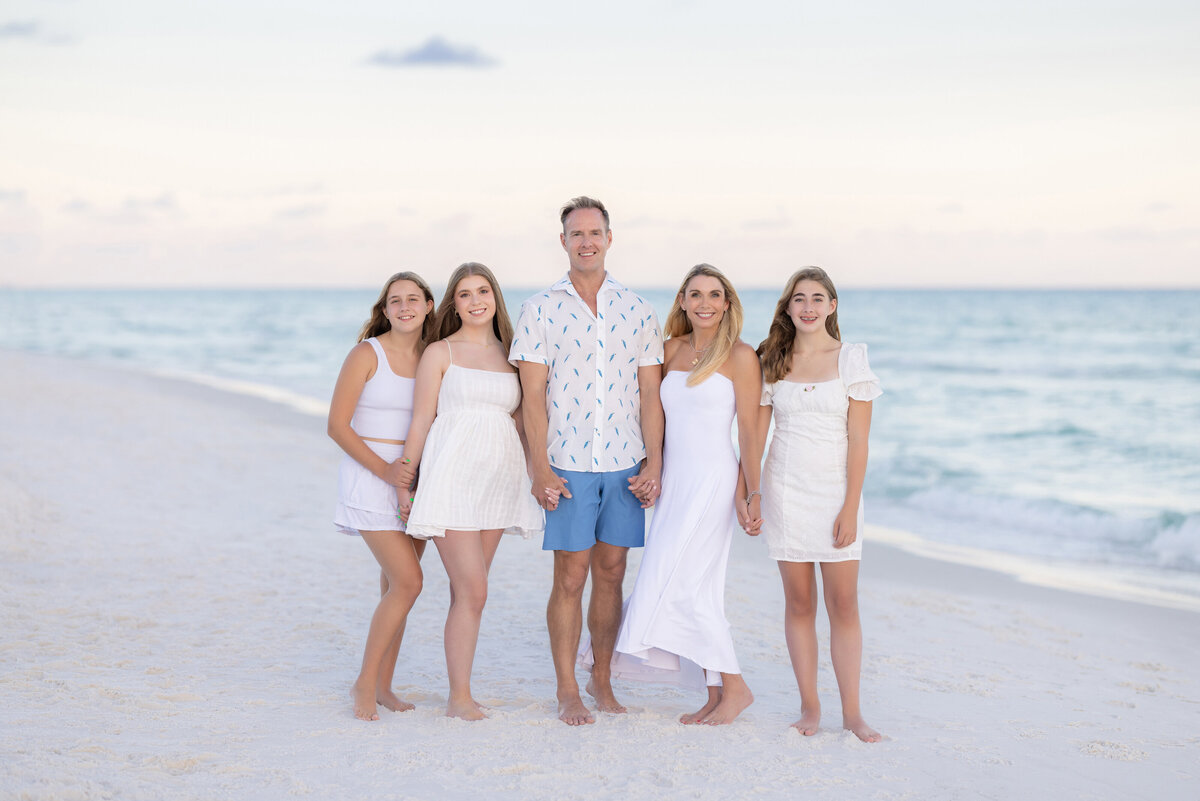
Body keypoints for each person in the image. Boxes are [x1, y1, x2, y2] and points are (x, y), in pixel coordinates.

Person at [509, 196, 665, 725]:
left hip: (624, 462)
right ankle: (567, 688)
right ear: (563, 242)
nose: (586, 242)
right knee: (570, 576)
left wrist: (654, 464)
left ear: (610, 238)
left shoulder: (639, 309)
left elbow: (651, 395)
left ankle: (602, 678)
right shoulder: (540, 308)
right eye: (576, 234)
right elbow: (532, 396)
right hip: (568, 462)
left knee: (613, 571)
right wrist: (539, 468)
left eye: (595, 232)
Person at [591, 264, 762, 725]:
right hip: (674, 483)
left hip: (713, 480)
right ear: (682, 302)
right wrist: (654, 467)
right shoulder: (669, 350)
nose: (704, 303)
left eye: (714, 294)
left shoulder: (742, 357)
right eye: (695, 294)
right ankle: (715, 692)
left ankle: (736, 687)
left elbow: (748, 431)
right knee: (689, 584)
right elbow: (653, 416)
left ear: (727, 303)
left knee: (687, 582)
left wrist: (752, 492)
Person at [397, 262, 543, 721]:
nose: (476, 300)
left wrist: (541, 473)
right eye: (464, 293)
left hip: (499, 480)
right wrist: (406, 480)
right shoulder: (439, 352)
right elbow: (421, 419)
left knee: (474, 594)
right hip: (452, 477)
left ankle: (463, 692)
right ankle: (458, 697)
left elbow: (523, 421)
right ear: (453, 303)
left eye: (483, 291)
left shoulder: (513, 354)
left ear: (495, 297)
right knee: (472, 588)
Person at [755, 266, 883, 743]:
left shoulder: (852, 360)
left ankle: (852, 714)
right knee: (800, 601)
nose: (807, 307)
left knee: (844, 602)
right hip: (785, 490)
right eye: (798, 299)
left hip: (835, 494)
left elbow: (860, 442)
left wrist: (850, 506)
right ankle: (810, 707)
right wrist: (751, 491)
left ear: (832, 306)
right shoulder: (772, 359)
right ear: (787, 308)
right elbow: (757, 433)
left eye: (817, 298)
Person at [328, 271, 438, 721]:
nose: (405, 307)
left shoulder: (435, 355)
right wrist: (387, 472)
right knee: (410, 582)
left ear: (430, 304)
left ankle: (384, 686)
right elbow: (337, 425)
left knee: (396, 587)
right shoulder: (366, 354)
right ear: (385, 309)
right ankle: (364, 683)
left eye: (414, 299)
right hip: (373, 480)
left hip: (419, 483)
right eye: (396, 301)